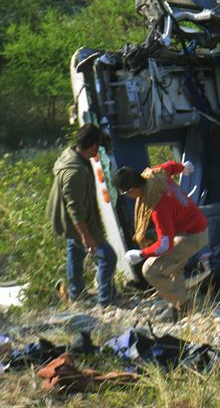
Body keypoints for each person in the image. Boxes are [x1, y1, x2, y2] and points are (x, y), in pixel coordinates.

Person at [112, 160, 207, 320]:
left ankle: (184, 305)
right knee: (172, 265)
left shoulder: (158, 206)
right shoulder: (154, 175)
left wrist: (141, 254)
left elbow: (165, 245)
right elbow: (170, 165)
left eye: (125, 193)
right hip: (195, 226)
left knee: (150, 270)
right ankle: (177, 306)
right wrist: (183, 168)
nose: (127, 197)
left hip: (192, 236)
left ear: (132, 190)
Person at [46, 124, 117, 305]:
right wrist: (86, 236)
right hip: (77, 222)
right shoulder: (75, 172)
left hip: (68, 220)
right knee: (108, 257)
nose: (99, 150)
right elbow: (75, 210)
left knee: (75, 251)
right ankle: (105, 301)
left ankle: (77, 295)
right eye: (98, 146)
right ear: (92, 146)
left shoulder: (70, 155)